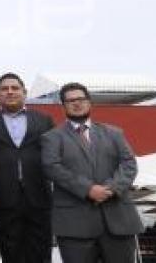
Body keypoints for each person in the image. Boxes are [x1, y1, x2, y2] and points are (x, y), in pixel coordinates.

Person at [41, 82, 143, 263]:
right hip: (74, 226)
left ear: (89, 102)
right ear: (63, 105)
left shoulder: (114, 133)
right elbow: (52, 168)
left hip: (119, 221)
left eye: (80, 99)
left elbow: (129, 164)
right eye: (70, 100)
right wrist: (88, 189)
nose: (76, 103)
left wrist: (111, 189)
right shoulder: (51, 138)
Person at [0, 72, 54, 263]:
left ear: (24, 92)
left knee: (41, 252)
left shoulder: (43, 120)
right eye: (4, 89)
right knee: (10, 252)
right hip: (2, 199)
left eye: (15, 88)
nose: (10, 92)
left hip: (39, 196)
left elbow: (53, 157)